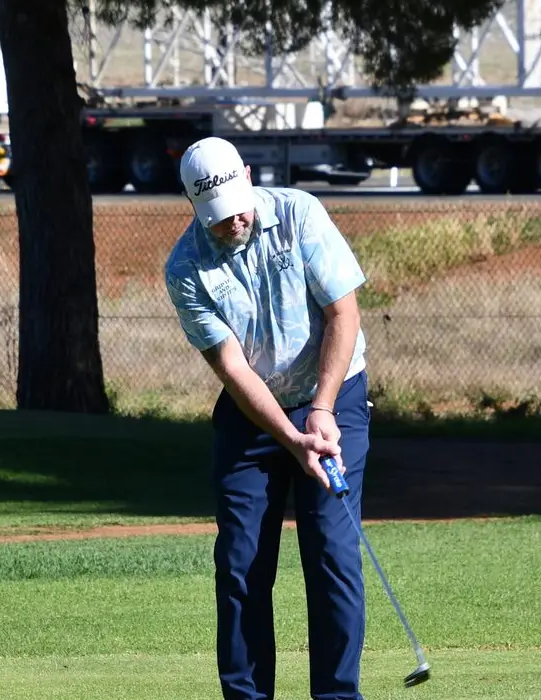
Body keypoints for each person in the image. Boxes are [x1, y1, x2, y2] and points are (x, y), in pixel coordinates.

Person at [164, 136, 372, 700]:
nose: (231, 222)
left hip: (334, 394)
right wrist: (288, 436)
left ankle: (336, 696)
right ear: (192, 204)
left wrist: (323, 410)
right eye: (216, 215)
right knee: (241, 561)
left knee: (330, 551)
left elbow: (342, 311)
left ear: (248, 177)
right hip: (254, 411)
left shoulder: (300, 213)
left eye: (236, 206)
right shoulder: (185, 268)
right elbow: (233, 369)